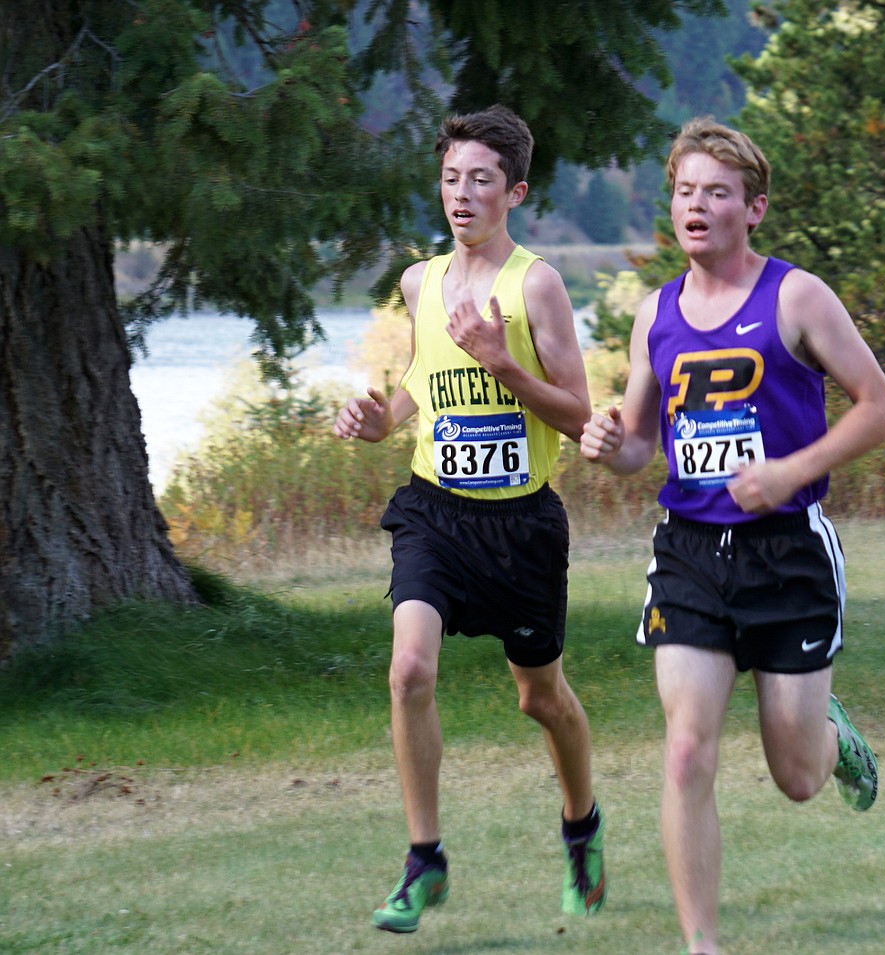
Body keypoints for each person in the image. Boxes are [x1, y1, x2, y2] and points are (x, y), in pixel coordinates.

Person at [580, 116, 885, 955]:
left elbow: (881, 408)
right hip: (689, 551)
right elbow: (644, 444)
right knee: (687, 750)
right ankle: (703, 946)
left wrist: (794, 471)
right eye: (686, 192)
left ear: (752, 209)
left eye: (717, 193)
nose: (697, 206)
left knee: (796, 778)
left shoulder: (796, 297)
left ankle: (830, 734)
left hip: (788, 551)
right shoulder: (656, 312)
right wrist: (613, 447)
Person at [333, 104, 605, 934]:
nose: (462, 194)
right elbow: (422, 373)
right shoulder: (421, 282)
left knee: (541, 698)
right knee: (409, 670)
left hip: (521, 525)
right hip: (434, 512)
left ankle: (581, 825)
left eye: (481, 179)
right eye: (451, 178)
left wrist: (505, 366)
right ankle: (425, 862)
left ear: (514, 191)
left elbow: (577, 413)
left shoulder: (538, 285)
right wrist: (388, 420)